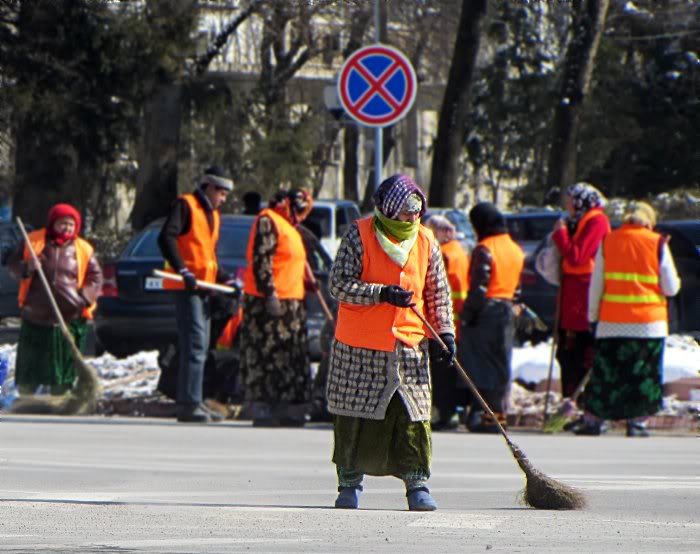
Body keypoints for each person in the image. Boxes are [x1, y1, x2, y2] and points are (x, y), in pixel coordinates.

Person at [327, 174, 454, 512]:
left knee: (413, 418)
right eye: (405, 211)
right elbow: (339, 285)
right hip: (358, 348)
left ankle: (418, 486)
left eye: (417, 210)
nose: (411, 217)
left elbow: (437, 293)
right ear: (387, 209)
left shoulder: (426, 241)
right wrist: (380, 294)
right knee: (353, 418)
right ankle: (349, 486)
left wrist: (446, 334)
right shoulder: (360, 234)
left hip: (408, 346)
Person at [577, 202, 681, 436]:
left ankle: (596, 419)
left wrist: (593, 316)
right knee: (643, 375)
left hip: (611, 322)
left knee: (607, 374)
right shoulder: (658, 244)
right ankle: (637, 422)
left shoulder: (609, 241)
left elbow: (597, 285)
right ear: (649, 221)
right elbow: (671, 287)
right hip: (648, 324)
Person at [158, 166, 234, 423]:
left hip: (204, 287)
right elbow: (166, 238)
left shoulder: (212, 215)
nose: (223, 199)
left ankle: (195, 399)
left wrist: (226, 277)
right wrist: (182, 270)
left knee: (199, 345)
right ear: (209, 187)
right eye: (221, 193)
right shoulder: (186, 205)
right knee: (195, 344)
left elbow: (207, 256)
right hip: (186, 287)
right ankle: (189, 404)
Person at [9, 203, 102, 395]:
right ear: (53, 223)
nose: (67, 228)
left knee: (63, 365)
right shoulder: (33, 241)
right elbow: (13, 267)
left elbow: (96, 277)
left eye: (70, 224)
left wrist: (83, 298)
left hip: (69, 318)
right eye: (62, 223)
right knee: (31, 364)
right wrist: (28, 267)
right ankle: (27, 397)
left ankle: (60, 396)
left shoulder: (83, 248)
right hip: (36, 315)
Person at [240, 188, 314, 427]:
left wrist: (306, 282)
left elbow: (289, 261)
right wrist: (269, 293)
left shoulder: (288, 226)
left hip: (291, 302)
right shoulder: (268, 221)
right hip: (269, 304)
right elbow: (262, 258)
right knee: (267, 355)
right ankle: (265, 406)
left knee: (289, 356)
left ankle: (288, 408)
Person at [458, 202, 524, 433]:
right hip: (507, 310)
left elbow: (479, 288)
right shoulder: (515, 249)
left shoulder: (485, 248)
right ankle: (498, 416)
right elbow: (517, 288)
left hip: (486, 312)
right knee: (500, 365)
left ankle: (483, 416)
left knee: (480, 365)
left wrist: (466, 316)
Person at [552, 183, 611, 402]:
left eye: (570, 201)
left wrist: (561, 235)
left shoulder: (596, 221)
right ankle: (570, 398)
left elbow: (577, 256)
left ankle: (581, 402)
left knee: (579, 353)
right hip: (572, 295)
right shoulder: (578, 221)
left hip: (583, 295)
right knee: (568, 354)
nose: (567, 206)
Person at [424, 215, 469, 430]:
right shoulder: (459, 251)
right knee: (449, 372)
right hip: (456, 324)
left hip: (441, 325)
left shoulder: (444, 254)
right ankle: (449, 411)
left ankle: (444, 412)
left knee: (441, 374)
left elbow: (440, 290)